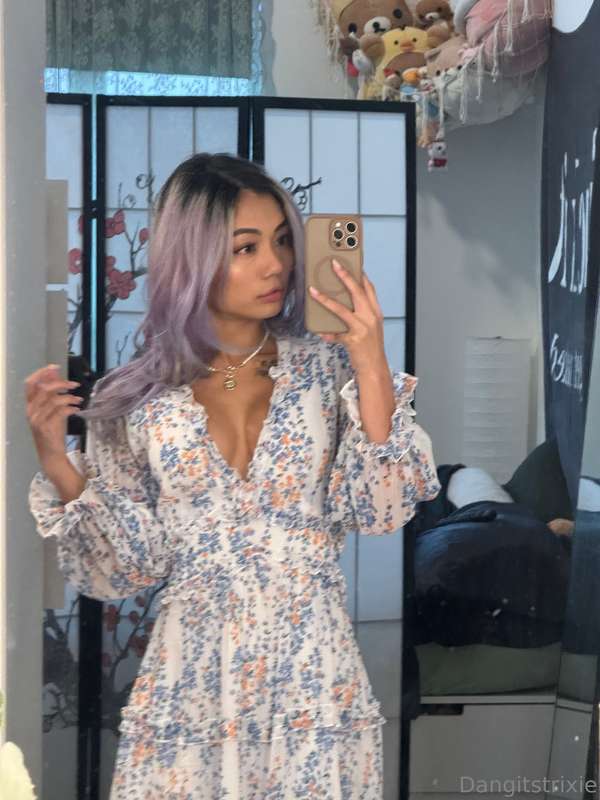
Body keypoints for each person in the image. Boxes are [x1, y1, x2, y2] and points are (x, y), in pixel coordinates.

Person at [26, 153, 440, 799]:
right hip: (190, 681)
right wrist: (58, 461)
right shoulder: (136, 398)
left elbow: (381, 511)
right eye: (246, 248)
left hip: (313, 675)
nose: (276, 264)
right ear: (191, 257)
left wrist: (370, 362)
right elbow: (127, 569)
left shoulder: (329, 372)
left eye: (281, 241)